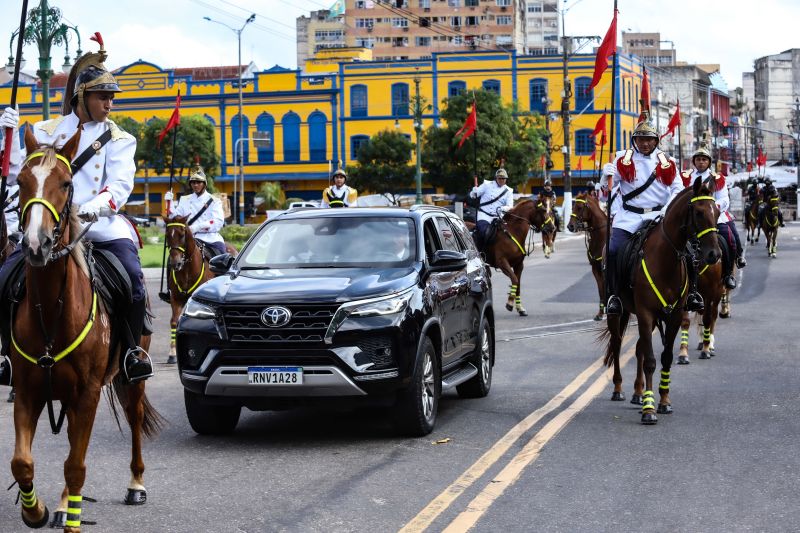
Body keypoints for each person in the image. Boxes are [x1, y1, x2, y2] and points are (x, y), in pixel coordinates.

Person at [0, 40, 152, 386]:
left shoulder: (120, 139)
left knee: (133, 282)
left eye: (112, 97)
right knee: (4, 279)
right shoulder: (44, 131)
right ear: (81, 97)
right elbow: (15, 176)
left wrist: (85, 210)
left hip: (98, 226)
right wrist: (5, 133)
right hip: (47, 226)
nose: (110, 104)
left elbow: (118, 189)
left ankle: (131, 354)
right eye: (103, 97)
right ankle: (7, 355)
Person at [604, 112, 701, 316]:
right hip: (629, 217)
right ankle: (613, 296)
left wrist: (668, 210)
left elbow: (677, 188)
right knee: (613, 251)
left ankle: (692, 293)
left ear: (656, 140)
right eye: (641, 139)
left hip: (659, 217)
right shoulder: (623, 158)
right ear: (635, 140)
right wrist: (606, 178)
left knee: (690, 250)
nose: (645, 143)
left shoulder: (667, 161)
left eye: (649, 139)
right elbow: (610, 191)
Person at [681, 145, 745, 290]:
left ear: (709, 162)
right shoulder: (686, 177)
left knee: (731, 240)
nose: (701, 162)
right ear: (694, 161)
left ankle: (728, 274)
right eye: (698, 159)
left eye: (704, 159)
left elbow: (724, 199)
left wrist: (710, 209)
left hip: (714, 216)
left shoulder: (718, 178)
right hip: (692, 217)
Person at [165, 167, 227, 257]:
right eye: (193, 183)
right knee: (173, 259)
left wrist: (197, 227)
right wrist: (169, 203)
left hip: (210, 238)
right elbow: (175, 218)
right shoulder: (184, 199)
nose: (195, 185)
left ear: (204, 184)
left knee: (222, 258)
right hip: (188, 238)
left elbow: (218, 222)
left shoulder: (214, 201)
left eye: (198, 182)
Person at [470, 168, 514, 252]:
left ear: (506, 179)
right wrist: (474, 191)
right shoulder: (487, 185)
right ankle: (481, 251)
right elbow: (473, 196)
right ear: (496, 178)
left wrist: (503, 208)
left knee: (504, 235)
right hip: (484, 215)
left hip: (497, 217)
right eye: (499, 178)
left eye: (503, 178)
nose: (501, 180)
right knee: (484, 232)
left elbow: (510, 206)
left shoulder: (508, 191)